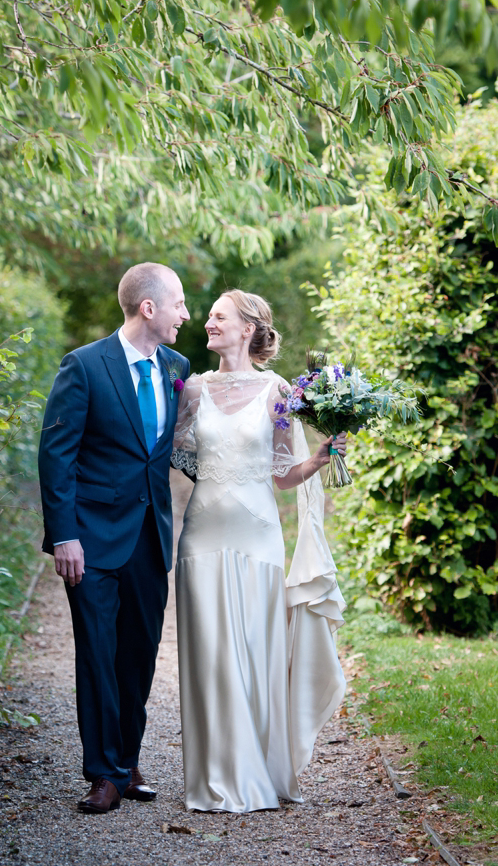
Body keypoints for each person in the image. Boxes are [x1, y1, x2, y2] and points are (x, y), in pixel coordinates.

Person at [172, 289, 347, 813]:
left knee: (253, 651)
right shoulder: (195, 390)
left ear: (248, 327)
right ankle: (213, 777)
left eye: (218, 316)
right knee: (208, 655)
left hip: (258, 536)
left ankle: (259, 774)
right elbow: (179, 454)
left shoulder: (277, 391)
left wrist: (316, 460)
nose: (207, 322)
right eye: (208, 317)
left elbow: (283, 473)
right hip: (202, 534)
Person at [38, 262, 190, 814]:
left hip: (150, 539)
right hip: (92, 542)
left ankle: (127, 763)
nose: (185, 314)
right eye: (178, 302)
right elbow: (57, 456)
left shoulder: (176, 365)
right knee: (98, 656)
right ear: (148, 308)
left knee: (139, 657)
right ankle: (102, 773)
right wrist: (64, 536)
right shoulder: (83, 367)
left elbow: (176, 449)